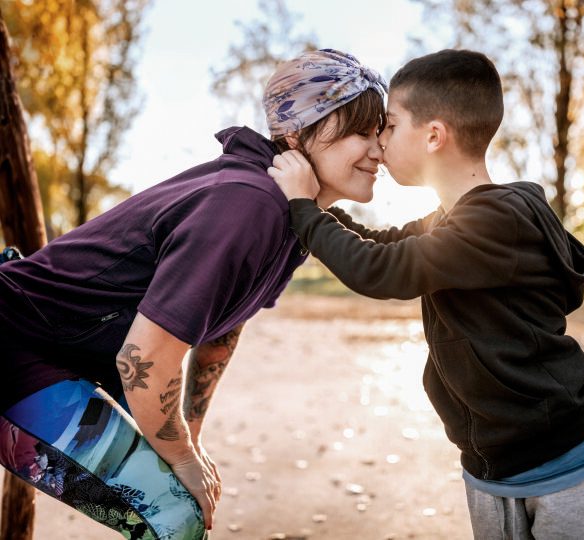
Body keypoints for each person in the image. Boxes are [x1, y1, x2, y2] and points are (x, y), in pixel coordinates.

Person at [0, 48, 386, 539]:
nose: (378, 150)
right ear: (296, 132)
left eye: (379, 132)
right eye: (359, 131)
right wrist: (180, 455)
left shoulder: (292, 213)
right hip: (15, 348)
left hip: (63, 350)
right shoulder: (249, 204)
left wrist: (192, 435)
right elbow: (143, 358)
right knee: (175, 516)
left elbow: (223, 330)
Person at [268, 49, 584, 540]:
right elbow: (384, 243)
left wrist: (300, 209)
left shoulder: (495, 221)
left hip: (567, 459)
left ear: (434, 135)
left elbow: (379, 270)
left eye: (390, 126)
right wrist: (319, 201)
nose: (379, 140)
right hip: (492, 466)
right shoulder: (454, 222)